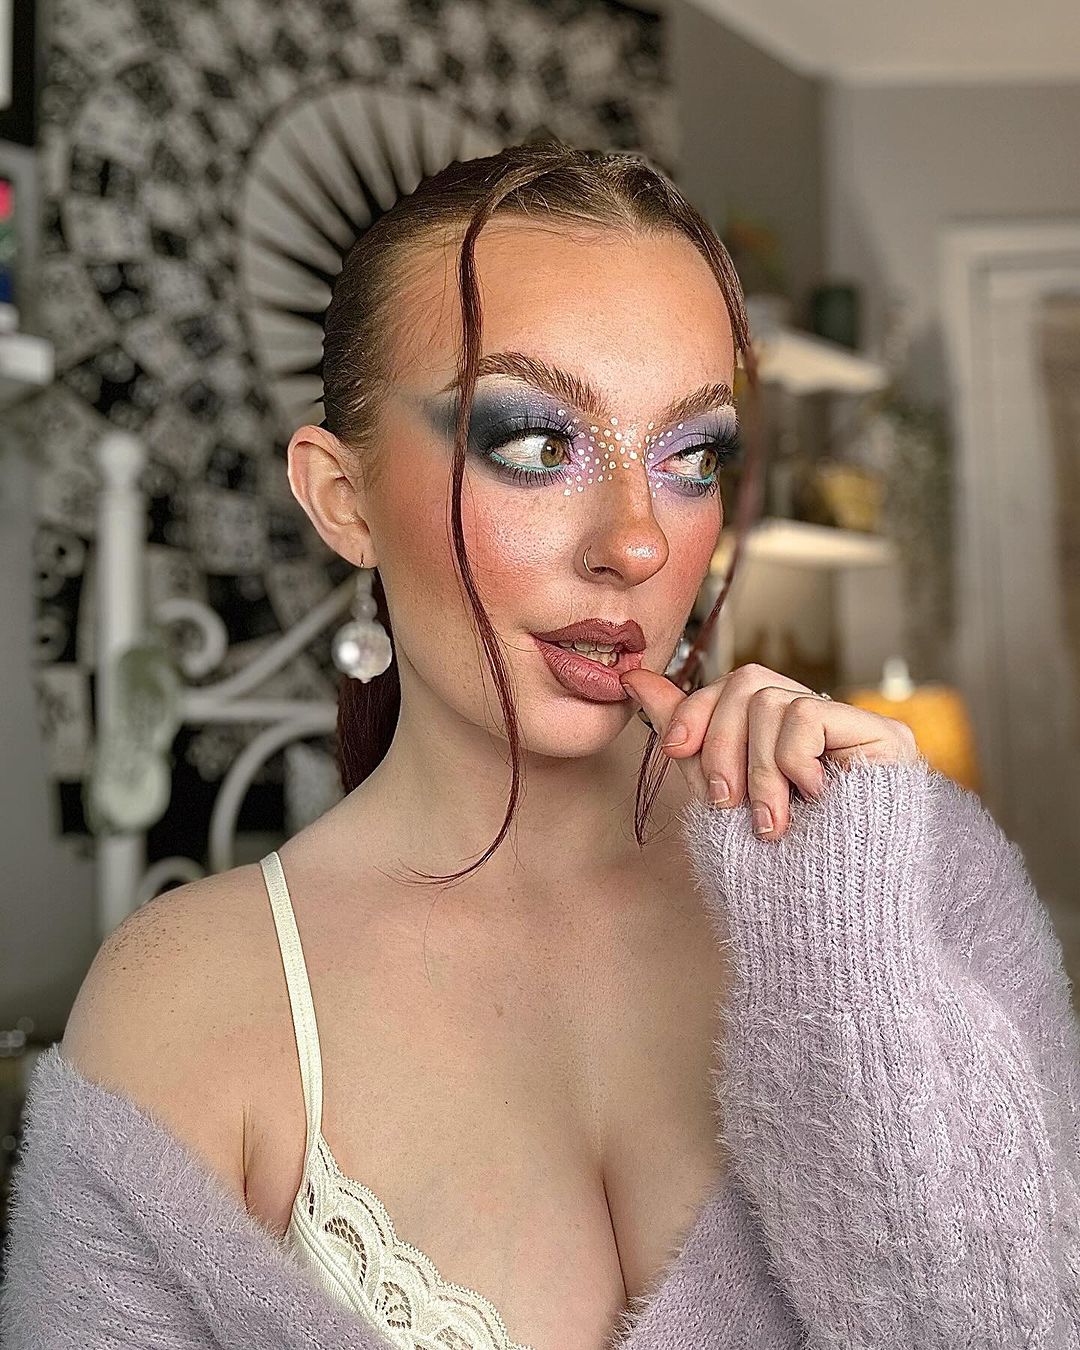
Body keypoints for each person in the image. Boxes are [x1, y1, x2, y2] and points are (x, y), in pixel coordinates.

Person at [49, 143, 1076, 1350]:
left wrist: (856, 958)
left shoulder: (912, 876)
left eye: (691, 457)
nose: (637, 544)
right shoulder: (185, 997)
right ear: (342, 499)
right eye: (536, 444)